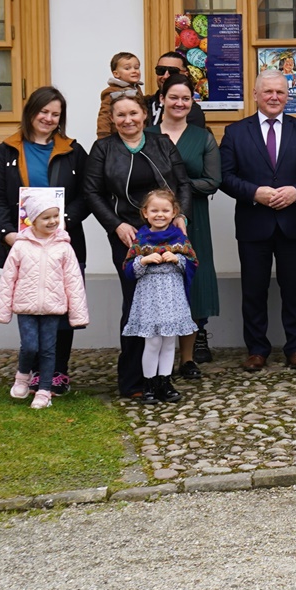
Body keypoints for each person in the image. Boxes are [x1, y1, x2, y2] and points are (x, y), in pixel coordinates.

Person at [84, 93, 191, 401]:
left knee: (169, 304)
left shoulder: (162, 143)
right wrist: (116, 224)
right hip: (129, 237)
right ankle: (133, 380)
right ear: (113, 119)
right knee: (135, 306)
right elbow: (92, 192)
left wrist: (180, 214)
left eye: (133, 113)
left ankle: (163, 380)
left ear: (145, 115)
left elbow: (183, 183)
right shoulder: (103, 149)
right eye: (121, 115)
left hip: (168, 235)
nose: (128, 120)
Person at [0, 86, 89, 395]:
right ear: (31, 112)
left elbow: (87, 195)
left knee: (62, 307)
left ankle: (58, 372)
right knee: (31, 308)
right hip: (22, 245)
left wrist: (62, 224)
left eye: (55, 114)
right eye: (43, 112)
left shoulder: (73, 150)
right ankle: (28, 370)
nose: (48, 118)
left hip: (63, 245)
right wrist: (7, 233)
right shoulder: (7, 150)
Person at [219, 69, 296, 372]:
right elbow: (225, 177)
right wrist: (255, 193)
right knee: (253, 290)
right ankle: (256, 349)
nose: (275, 97)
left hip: (292, 222)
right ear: (255, 95)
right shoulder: (236, 132)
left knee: (294, 289)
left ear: (287, 95)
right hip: (254, 223)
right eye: (268, 92)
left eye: (280, 91)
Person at [0, 192, 90, 410]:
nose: (53, 221)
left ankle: (44, 391)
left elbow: (73, 282)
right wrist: (2, 311)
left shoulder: (64, 246)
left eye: (56, 216)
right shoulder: (20, 246)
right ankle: (22, 376)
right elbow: (8, 279)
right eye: (46, 218)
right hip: (26, 307)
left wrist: (78, 314)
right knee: (29, 346)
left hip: (53, 308)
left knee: (48, 349)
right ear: (33, 220)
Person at [156, 78, 220, 377]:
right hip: (154, 224)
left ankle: (187, 358)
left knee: (193, 283)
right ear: (162, 99)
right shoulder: (148, 135)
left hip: (194, 219)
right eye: (173, 97)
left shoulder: (202, 137)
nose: (179, 103)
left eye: (185, 98)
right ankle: (158, 359)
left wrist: (175, 189)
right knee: (158, 283)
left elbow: (212, 182)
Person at [120, 189, 198, 404]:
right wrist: (143, 261)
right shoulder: (140, 239)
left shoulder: (180, 239)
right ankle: (149, 383)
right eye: (154, 210)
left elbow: (192, 263)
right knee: (152, 342)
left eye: (165, 210)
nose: (160, 215)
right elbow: (128, 269)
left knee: (168, 342)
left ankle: (165, 381)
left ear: (174, 213)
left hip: (172, 297)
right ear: (145, 213)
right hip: (150, 298)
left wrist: (178, 259)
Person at [145, 50, 206, 129]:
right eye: (161, 70)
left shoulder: (190, 110)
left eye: (173, 71)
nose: (165, 76)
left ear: (185, 74)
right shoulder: (144, 104)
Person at [95, 51, 143, 138]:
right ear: (116, 74)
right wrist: (103, 137)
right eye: (127, 68)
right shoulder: (112, 92)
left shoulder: (136, 88)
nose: (134, 71)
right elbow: (104, 116)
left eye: (136, 68)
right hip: (117, 136)